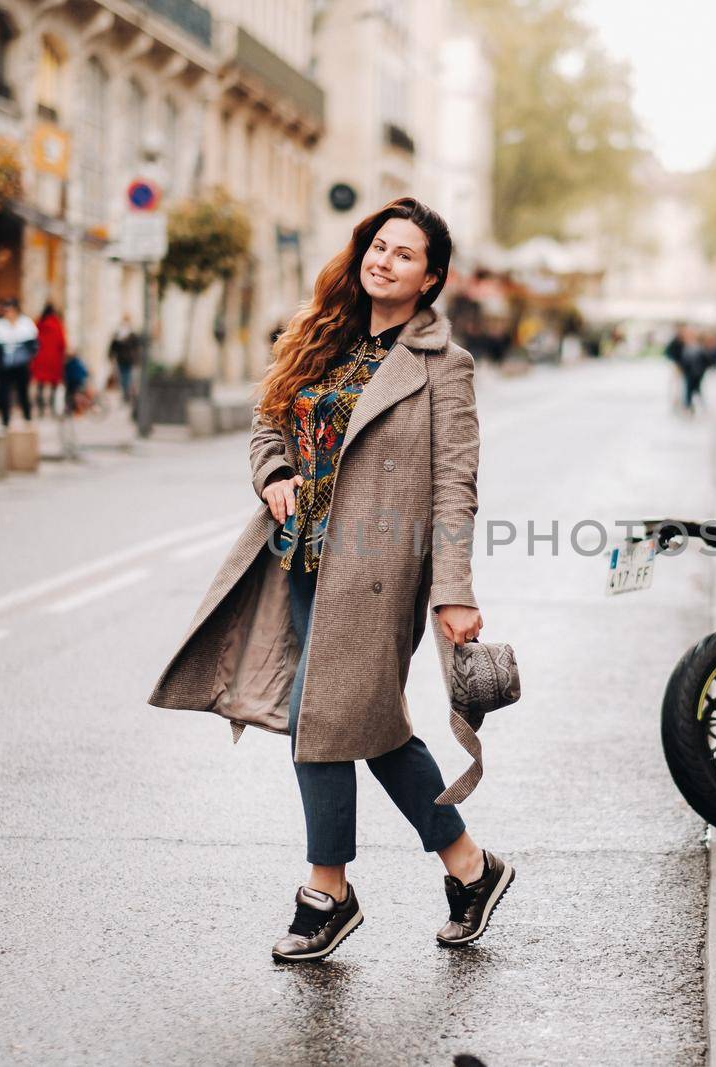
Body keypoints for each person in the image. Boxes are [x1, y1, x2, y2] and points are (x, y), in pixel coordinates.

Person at [148, 197, 511, 963]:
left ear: (430, 278)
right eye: (378, 246)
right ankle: (471, 867)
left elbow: (457, 483)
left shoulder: (445, 365)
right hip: (300, 560)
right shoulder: (322, 334)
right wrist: (274, 473)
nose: (384, 260)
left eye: (404, 254)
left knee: (323, 715)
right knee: (368, 727)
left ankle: (327, 893)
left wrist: (454, 588)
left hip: (379, 573)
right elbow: (267, 423)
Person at [0, 298, 37, 426]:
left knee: (23, 392)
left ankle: (27, 417)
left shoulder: (26, 323)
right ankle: (5, 419)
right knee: (4, 392)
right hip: (5, 365)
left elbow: (32, 344)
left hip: (21, 365)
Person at [32, 303, 66, 416]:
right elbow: (62, 342)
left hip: (40, 357)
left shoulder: (38, 324)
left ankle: (40, 407)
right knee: (53, 383)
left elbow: (33, 339)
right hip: (54, 358)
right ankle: (51, 407)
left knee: (40, 383)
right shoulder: (57, 324)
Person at [108, 314, 141, 402]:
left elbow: (137, 348)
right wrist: (111, 357)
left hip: (130, 361)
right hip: (121, 360)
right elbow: (112, 348)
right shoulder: (118, 334)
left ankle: (128, 394)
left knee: (128, 378)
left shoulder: (133, 335)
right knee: (123, 378)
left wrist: (137, 359)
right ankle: (126, 394)